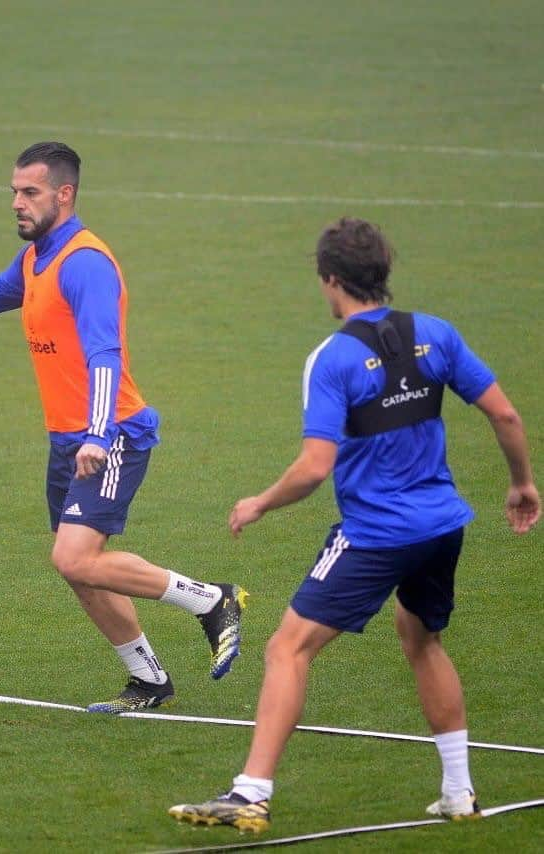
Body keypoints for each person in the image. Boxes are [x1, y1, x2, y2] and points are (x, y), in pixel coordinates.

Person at [169, 217, 539, 833]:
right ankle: (457, 792)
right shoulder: (436, 334)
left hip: (375, 534)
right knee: (421, 639)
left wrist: (260, 502)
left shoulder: (333, 358)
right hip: (443, 526)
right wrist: (522, 483)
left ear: (331, 280)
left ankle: (250, 792)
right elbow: (504, 415)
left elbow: (316, 467)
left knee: (287, 648)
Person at [0, 141, 247, 711]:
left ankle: (212, 600)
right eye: (13, 191)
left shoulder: (85, 263)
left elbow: (104, 353)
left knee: (74, 557)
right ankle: (148, 680)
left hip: (113, 436)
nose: (16, 203)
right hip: (69, 439)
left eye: (29, 192)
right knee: (80, 568)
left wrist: (98, 435)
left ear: (65, 194)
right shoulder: (37, 258)